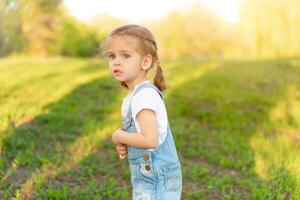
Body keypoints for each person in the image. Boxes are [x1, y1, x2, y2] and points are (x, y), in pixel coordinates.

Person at [105, 24, 182, 200]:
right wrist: (125, 141)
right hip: (148, 176)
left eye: (125, 55)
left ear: (145, 62)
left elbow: (150, 139)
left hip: (157, 177)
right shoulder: (135, 96)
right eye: (112, 56)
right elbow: (140, 134)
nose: (116, 61)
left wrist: (119, 136)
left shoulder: (144, 96)